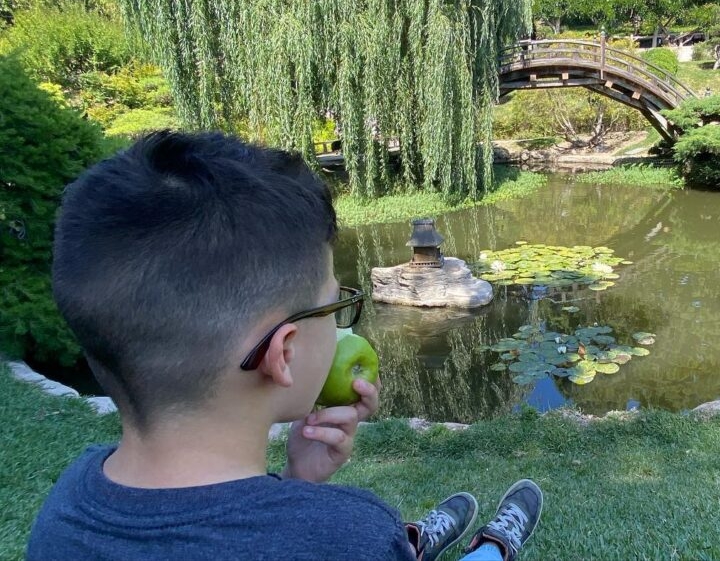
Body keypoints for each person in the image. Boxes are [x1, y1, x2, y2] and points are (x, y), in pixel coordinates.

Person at [27, 130, 543, 561]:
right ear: (285, 352)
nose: (339, 321)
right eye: (333, 306)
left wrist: (298, 486)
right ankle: (487, 549)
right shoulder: (354, 537)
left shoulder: (65, 504)